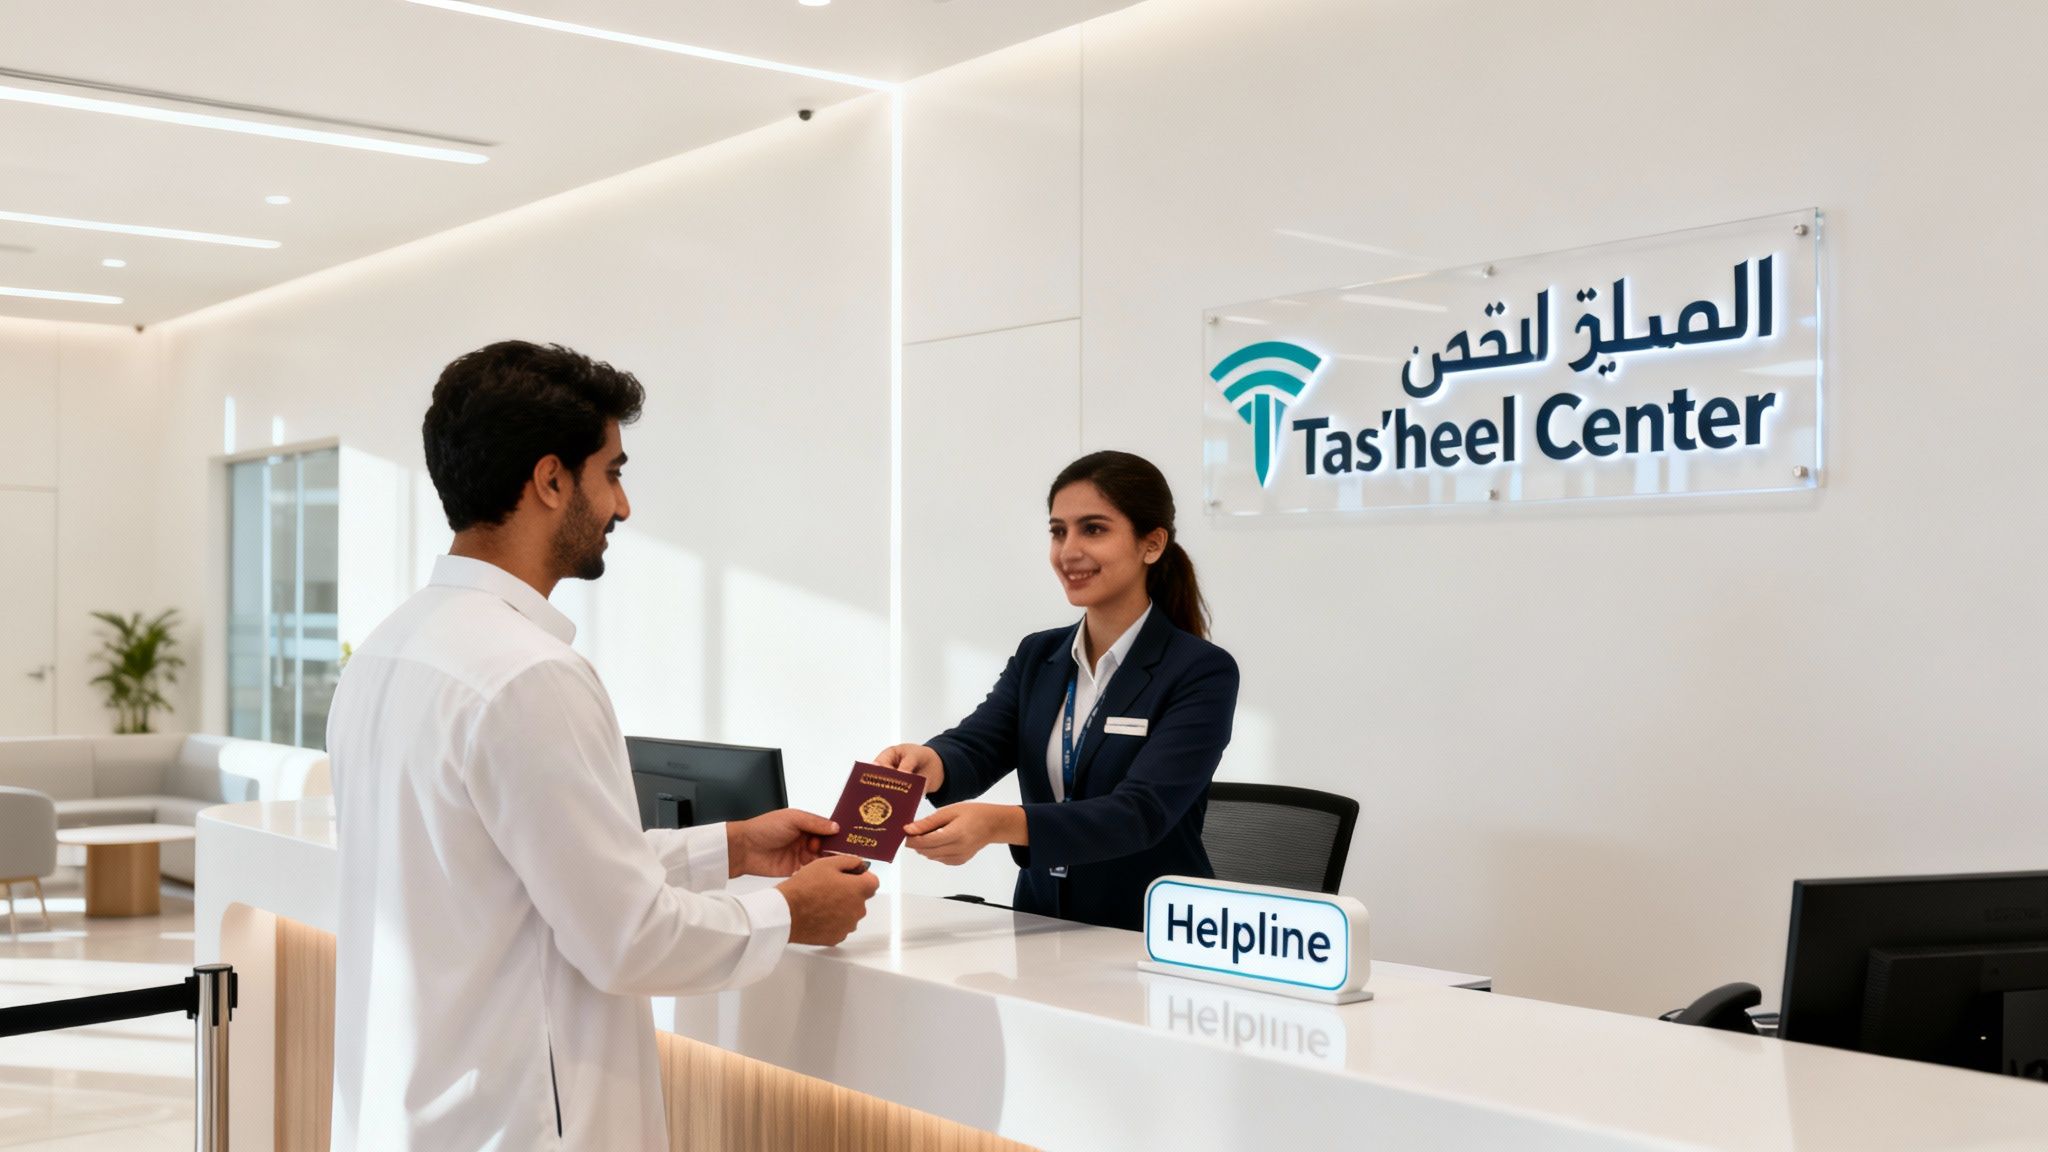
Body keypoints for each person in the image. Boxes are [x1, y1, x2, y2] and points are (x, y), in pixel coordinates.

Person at [325, 341, 879, 1150]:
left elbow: (522, 873)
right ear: (552, 481)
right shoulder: (527, 674)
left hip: (418, 1110)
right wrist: (789, 913)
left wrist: (728, 848)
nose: (624, 507)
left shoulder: (389, 651)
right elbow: (627, 940)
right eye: (612, 473)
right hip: (518, 1122)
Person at [875, 450, 1239, 930]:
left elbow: (1141, 814)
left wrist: (997, 824)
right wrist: (930, 763)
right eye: (1058, 530)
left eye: (1093, 529)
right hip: (1042, 921)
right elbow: (980, 743)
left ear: (1151, 545)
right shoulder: (1039, 656)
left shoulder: (1200, 672)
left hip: (1152, 932)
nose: (1068, 551)